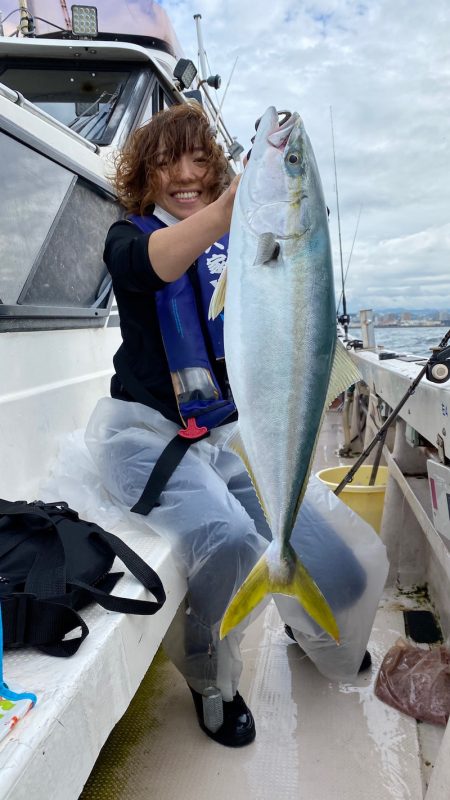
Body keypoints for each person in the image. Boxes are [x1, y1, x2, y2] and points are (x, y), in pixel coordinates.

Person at [85, 102, 383, 749]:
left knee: (339, 561)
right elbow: (152, 265)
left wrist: (242, 222)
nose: (186, 174)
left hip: (219, 438)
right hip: (144, 440)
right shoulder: (129, 239)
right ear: (145, 172)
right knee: (229, 541)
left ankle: (315, 627)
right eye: (167, 160)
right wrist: (229, 211)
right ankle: (211, 680)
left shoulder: (239, 250)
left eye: (200, 159)